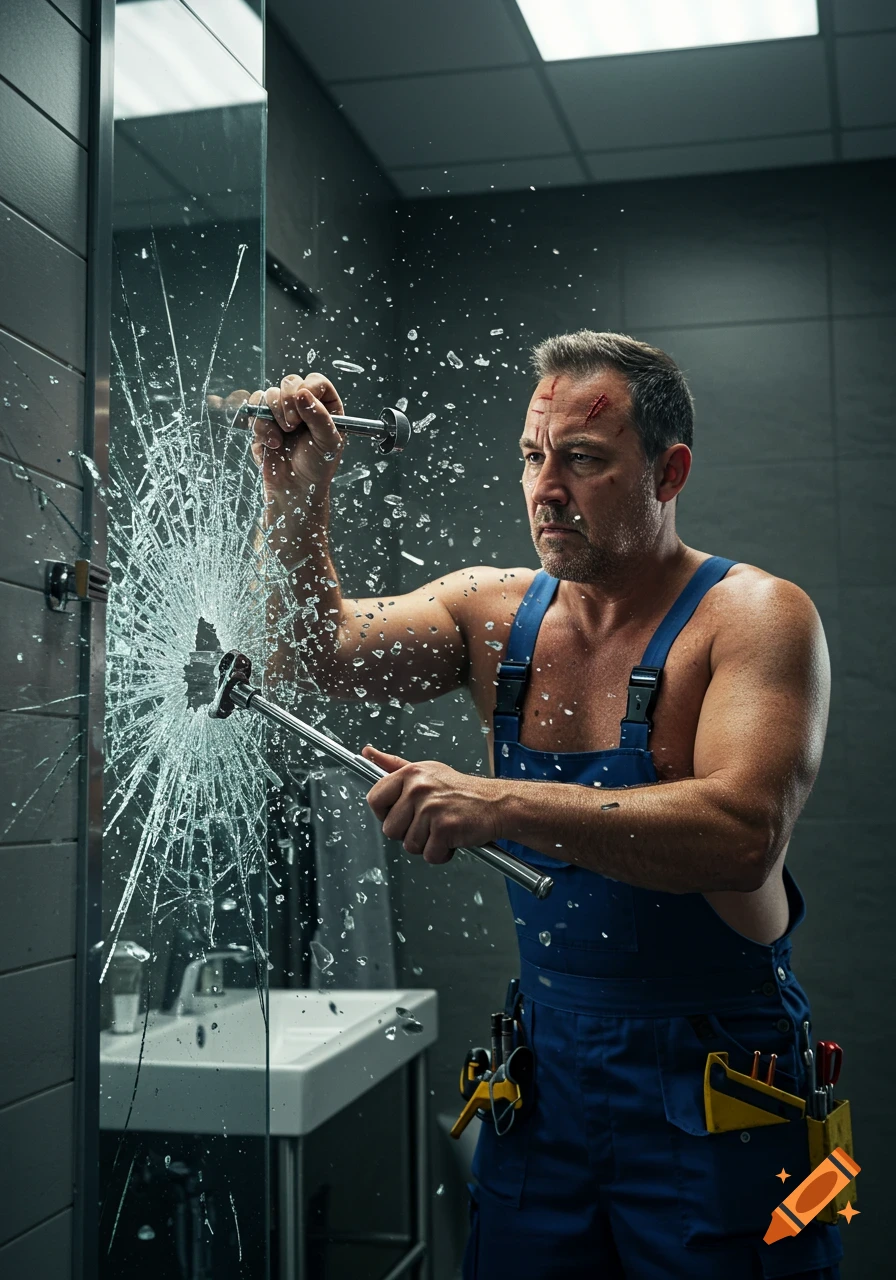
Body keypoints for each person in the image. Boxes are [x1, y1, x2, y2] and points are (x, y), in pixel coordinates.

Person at [247, 331, 843, 1278]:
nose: (547, 488)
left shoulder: (756, 618)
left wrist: (498, 800)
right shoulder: (492, 613)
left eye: (585, 459)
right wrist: (296, 496)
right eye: (534, 456)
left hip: (716, 1082)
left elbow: (742, 836)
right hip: (547, 1082)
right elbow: (310, 654)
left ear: (668, 470)